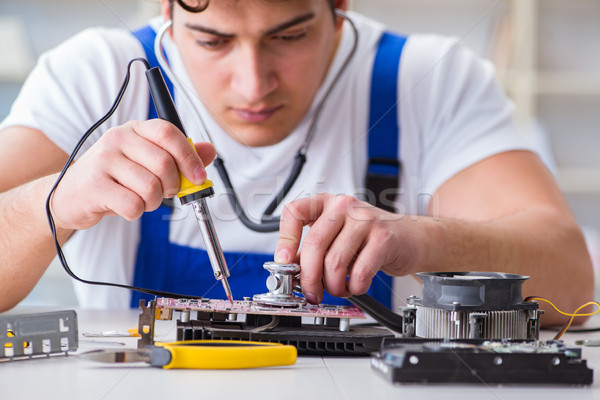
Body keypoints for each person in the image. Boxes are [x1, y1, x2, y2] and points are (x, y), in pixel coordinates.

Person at [0, 0, 593, 326]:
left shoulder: (430, 78)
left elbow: (571, 277)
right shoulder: (93, 75)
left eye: (289, 36)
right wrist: (48, 203)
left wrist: (424, 239)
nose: (253, 84)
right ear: (167, 12)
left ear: (340, 7)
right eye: (212, 41)